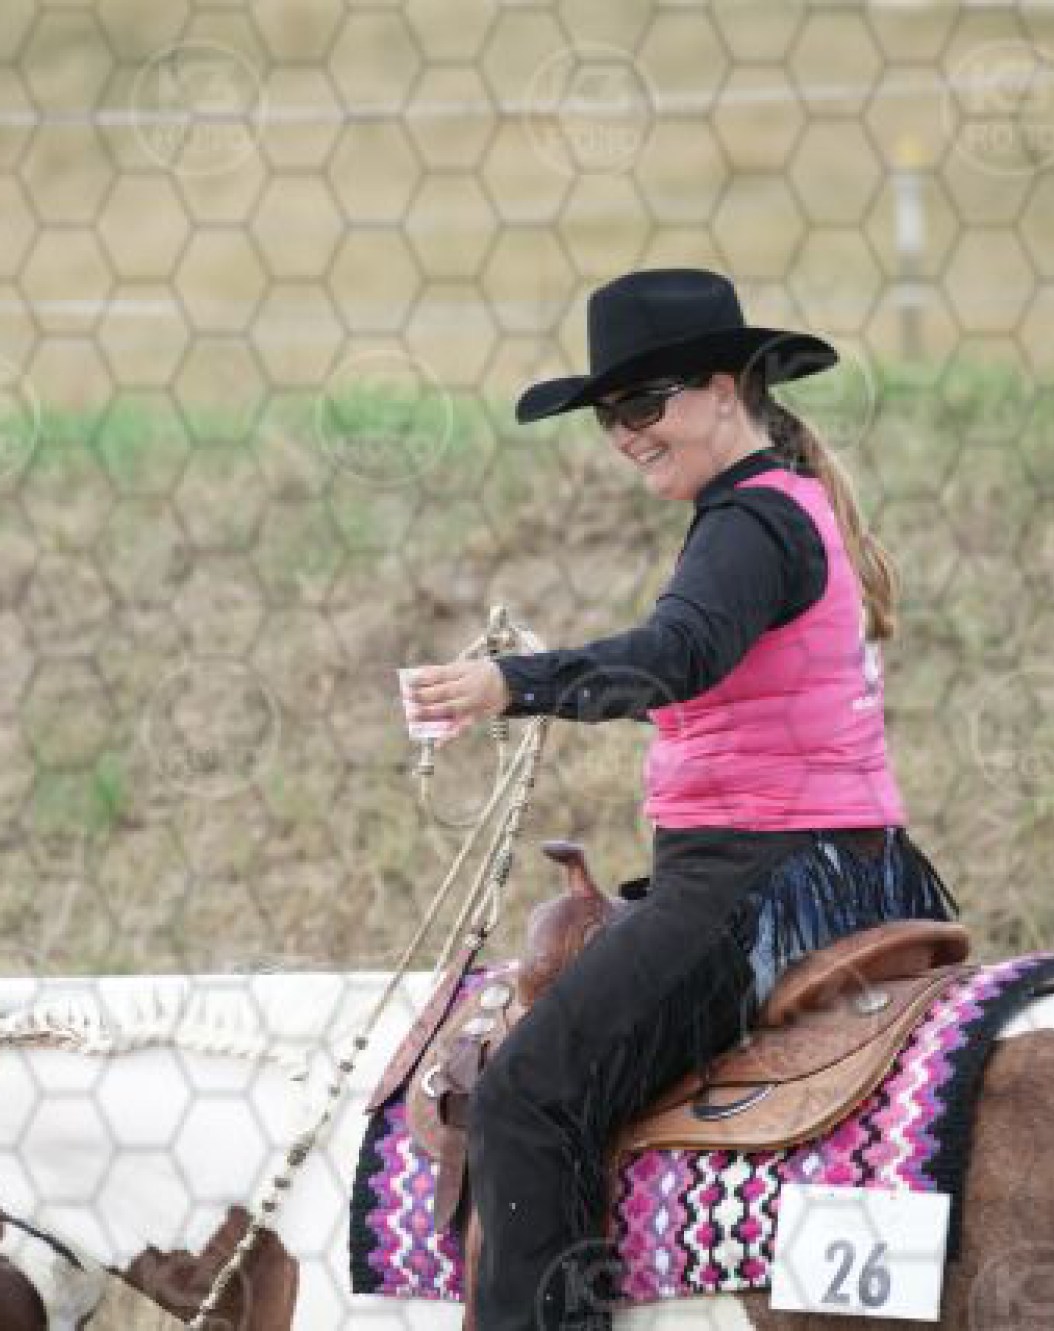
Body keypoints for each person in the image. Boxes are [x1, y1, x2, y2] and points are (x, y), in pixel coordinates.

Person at [401, 268, 960, 1331]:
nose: (623, 433)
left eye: (642, 404)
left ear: (720, 388)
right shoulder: (779, 507)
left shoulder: (747, 521)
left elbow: (676, 654)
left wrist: (513, 683)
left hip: (760, 881)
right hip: (838, 865)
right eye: (607, 415)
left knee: (525, 1094)